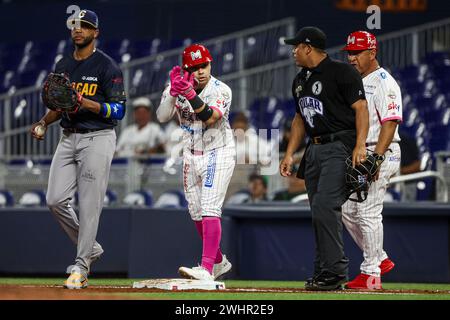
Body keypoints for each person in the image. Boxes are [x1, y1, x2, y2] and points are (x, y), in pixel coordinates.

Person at [29, 9, 126, 289]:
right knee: (55, 199)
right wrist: (43, 123)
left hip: (98, 137)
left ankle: (81, 266)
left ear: (96, 32)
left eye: (85, 26)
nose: (78, 30)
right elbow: (60, 104)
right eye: (75, 25)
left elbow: (118, 110)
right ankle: (91, 248)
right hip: (67, 136)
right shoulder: (63, 64)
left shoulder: (107, 67)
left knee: (89, 204)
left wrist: (87, 104)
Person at [279, 26, 369, 291]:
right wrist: (289, 154)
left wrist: (360, 145)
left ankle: (335, 271)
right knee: (318, 210)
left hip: (339, 144)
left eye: (296, 46)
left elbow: (361, 108)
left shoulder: (342, 72)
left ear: (308, 47)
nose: (293, 51)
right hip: (314, 149)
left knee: (325, 206)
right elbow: (298, 119)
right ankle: (323, 270)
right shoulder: (299, 80)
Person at [156, 44, 235, 281]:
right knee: (196, 212)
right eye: (195, 67)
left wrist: (190, 94)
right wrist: (172, 93)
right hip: (190, 153)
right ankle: (219, 261)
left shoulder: (221, 89)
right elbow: (161, 117)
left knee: (210, 208)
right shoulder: (176, 86)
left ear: (210, 64)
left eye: (204, 65)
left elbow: (210, 118)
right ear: (186, 69)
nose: (201, 71)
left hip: (217, 151)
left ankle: (207, 269)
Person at [341, 31, 402, 290]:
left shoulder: (384, 82)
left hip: (382, 151)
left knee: (368, 211)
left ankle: (371, 272)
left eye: (357, 52)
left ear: (372, 52)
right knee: (346, 210)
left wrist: (376, 157)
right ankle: (381, 258)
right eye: (350, 53)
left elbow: (391, 122)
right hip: (362, 152)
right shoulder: (358, 81)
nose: (352, 57)